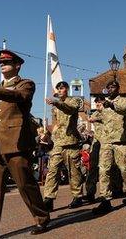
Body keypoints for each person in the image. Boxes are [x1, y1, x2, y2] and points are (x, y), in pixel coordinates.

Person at [0, 49, 49, 237]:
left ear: (17, 65)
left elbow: (19, 97)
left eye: (6, 62)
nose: (2, 65)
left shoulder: (26, 84)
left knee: (25, 185)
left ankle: (41, 217)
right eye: (0, 63)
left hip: (16, 143)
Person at [92, 81, 126, 214]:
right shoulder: (104, 105)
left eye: (113, 87)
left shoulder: (123, 101)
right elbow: (98, 117)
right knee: (103, 171)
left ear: (118, 88)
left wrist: (111, 104)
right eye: (109, 87)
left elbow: (125, 110)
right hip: (106, 143)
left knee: (125, 170)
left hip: (120, 142)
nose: (111, 89)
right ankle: (105, 200)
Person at [44, 81, 84, 211]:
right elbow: (56, 122)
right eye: (58, 89)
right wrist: (50, 134)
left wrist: (56, 102)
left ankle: (77, 196)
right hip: (58, 143)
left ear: (67, 89)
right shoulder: (55, 107)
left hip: (71, 142)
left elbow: (69, 110)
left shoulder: (74, 101)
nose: (60, 90)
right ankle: (48, 198)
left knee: (74, 172)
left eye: (62, 88)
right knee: (52, 170)